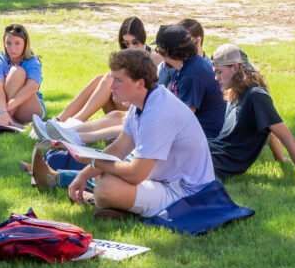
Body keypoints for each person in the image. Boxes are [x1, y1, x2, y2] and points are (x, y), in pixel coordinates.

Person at [56, 48, 216, 218]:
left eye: (118, 80)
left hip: (188, 195)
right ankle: (119, 206)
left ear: (139, 83)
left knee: (106, 188)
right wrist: (84, 174)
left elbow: (136, 174)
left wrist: (96, 162)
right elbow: (119, 148)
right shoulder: (142, 102)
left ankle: (120, 207)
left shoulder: (159, 112)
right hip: (163, 182)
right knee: (103, 178)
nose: (112, 86)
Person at [208, 44, 295, 187]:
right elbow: (267, 127)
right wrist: (280, 158)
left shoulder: (256, 96)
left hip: (219, 161)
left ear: (235, 68)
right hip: (212, 151)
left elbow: (288, 139)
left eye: (219, 72)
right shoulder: (237, 91)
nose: (216, 77)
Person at [49, 17, 147, 143]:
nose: (130, 48)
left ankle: (72, 125)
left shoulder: (151, 60)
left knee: (108, 79)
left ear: (143, 41)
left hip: (135, 109)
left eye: (135, 43)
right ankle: (60, 120)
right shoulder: (127, 59)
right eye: (126, 44)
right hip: (124, 107)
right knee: (100, 80)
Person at [152, 24, 224, 139]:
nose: (157, 54)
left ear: (168, 52)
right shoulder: (184, 66)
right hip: (192, 131)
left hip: (203, 137)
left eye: (158, 50)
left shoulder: (192, 74)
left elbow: (183, 118)